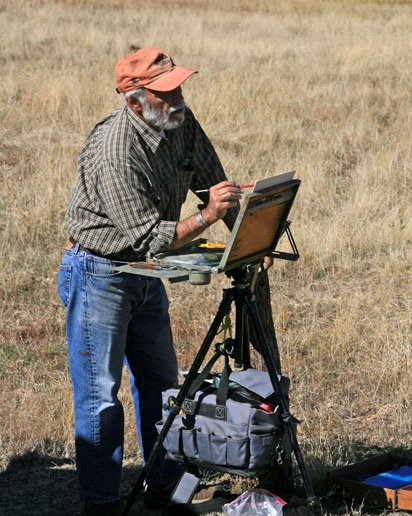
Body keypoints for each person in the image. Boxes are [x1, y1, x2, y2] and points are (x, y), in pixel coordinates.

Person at [58, 47, 258, 516]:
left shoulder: (180, 122)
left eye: (178, 86)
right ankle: (103, 503)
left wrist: (249, 238)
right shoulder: (115, 150)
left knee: (163, 385)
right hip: (100, 272)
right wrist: (209, 217)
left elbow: (213, 181)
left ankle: (164, 490)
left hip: (145, 273)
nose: (178, 98)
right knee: (99, 395)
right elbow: (150, 236)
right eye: (166, 93)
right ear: (134, 100)